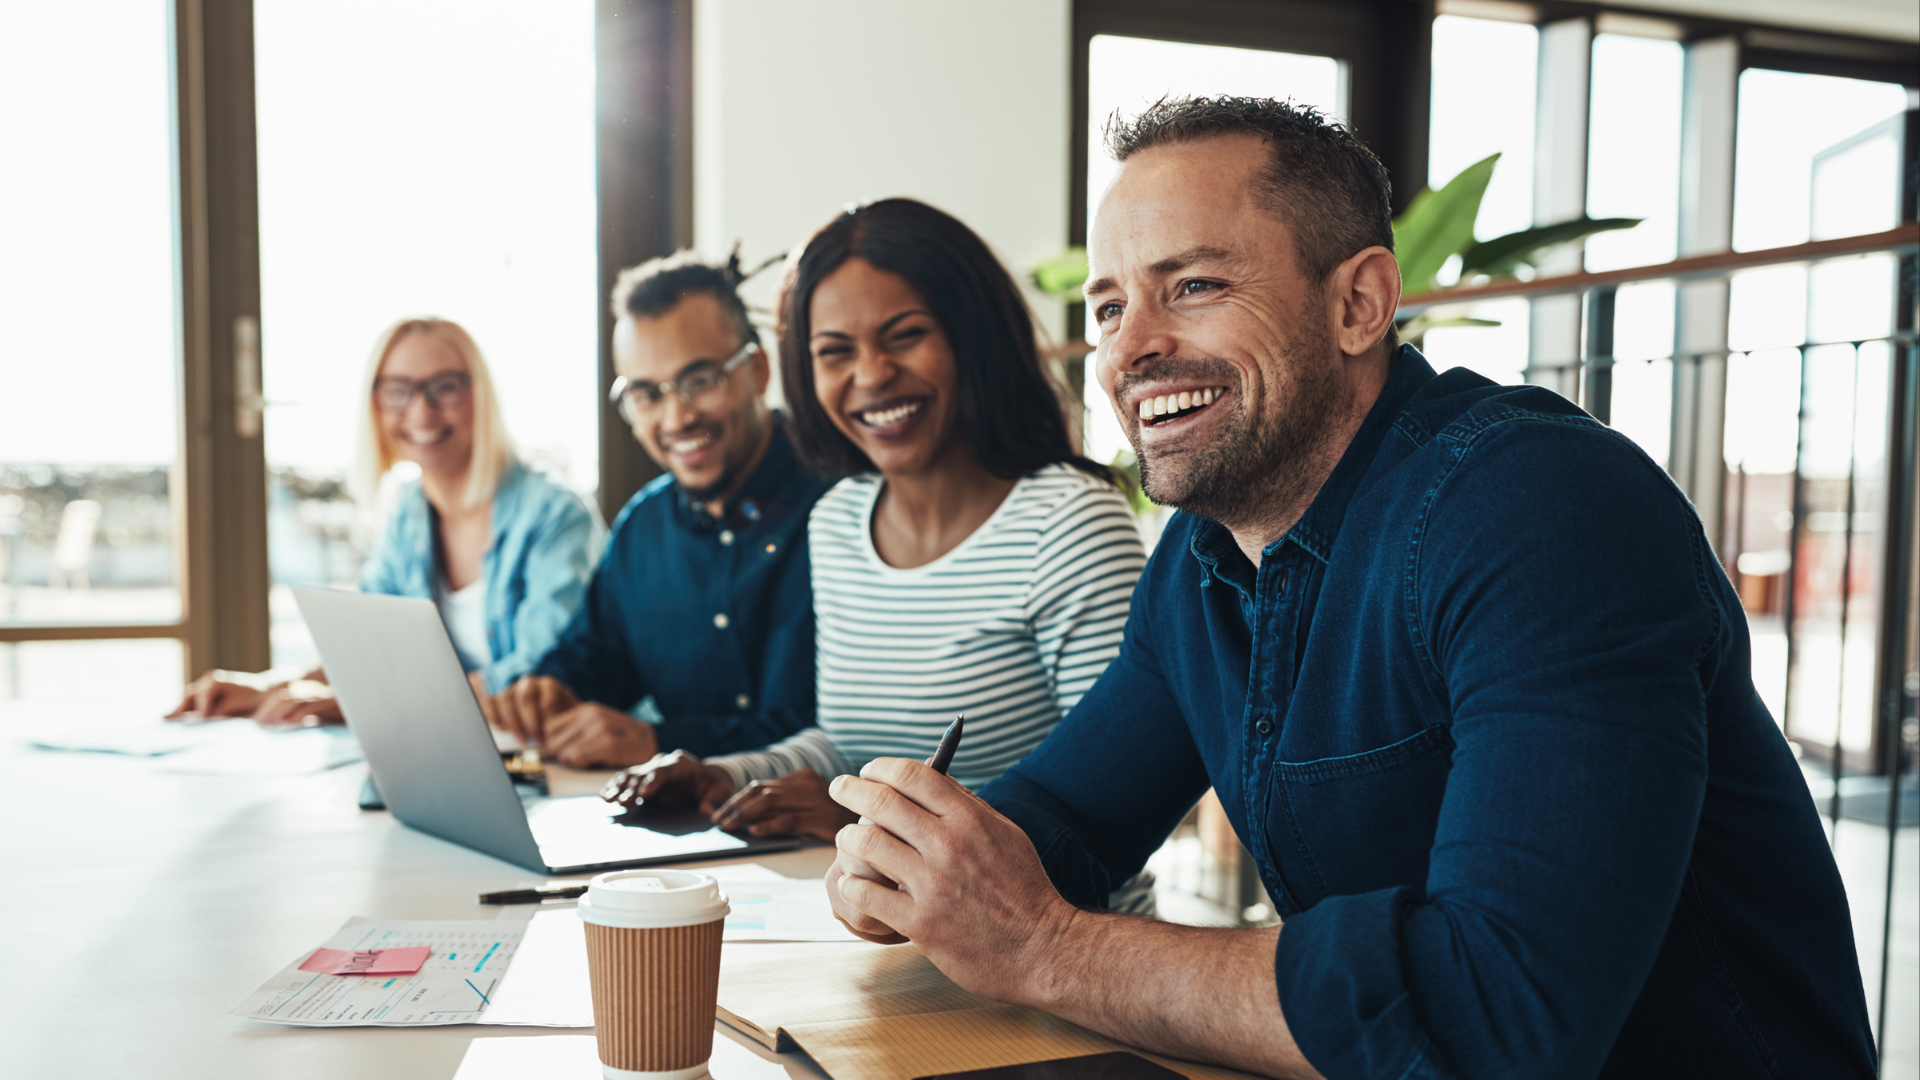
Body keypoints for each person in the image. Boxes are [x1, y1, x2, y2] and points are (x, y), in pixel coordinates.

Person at [818, 97, 1876, 1079]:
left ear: (1360, 303)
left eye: (1192, 286)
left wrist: (1043, 946)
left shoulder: (1542, 509)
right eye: (1107, 308)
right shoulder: (1202, 560)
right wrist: (928, 867)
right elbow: (1067, 817)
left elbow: (1501, 1012)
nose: (1130, 350)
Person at [603, 201, 1149, 889]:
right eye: (836, 352)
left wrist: (869, 827)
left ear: (969, 339)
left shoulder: (1067, 523)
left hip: (1053, 959)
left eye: (905, 336)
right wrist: (721, 774)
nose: (871, 374)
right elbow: (846, 746)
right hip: (885, 934)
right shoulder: (837, 520)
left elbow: (1113, 805)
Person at [481, 252, 832, 769]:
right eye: (646, 394)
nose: (677, 417)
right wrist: (552, 691)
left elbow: (844, 732)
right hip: (680, 831)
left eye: (700, 381)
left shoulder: (845, 507)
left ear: (757, 369)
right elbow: (596, 657)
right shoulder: (643, 528)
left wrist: (662, 741)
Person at [168, 317, 599, 726]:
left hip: (554, 755)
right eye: (398, 390)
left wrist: (360, 703)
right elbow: (369, 645)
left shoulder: (554, 515)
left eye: (444, 388)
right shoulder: (409, 511)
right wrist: (269, 686)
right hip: (454, 750)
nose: (421, 412)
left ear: (480, 394)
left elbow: (540, 679)